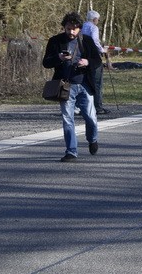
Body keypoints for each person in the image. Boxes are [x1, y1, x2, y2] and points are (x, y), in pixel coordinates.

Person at [42, 11, 101, 161]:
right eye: (68, 28)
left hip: (84, 85)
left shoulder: (86, 40)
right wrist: (59, 58)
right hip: (65, 87)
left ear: (79, 28)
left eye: (74, 29)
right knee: (68, 119)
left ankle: (92, 139)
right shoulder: (55, 41)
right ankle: (71, 151)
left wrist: (87, 62)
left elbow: (97, 60)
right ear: (64, 27)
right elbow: (46, 62)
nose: (71, 32)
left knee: (91, 118)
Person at [81, 10, 112, 114]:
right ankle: (98, 107)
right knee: (97, 83)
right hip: (94, 59)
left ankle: (84, 107)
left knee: (84, 83)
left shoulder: (81, 27)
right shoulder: (93, 27)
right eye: (97, 19)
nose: (98, 21)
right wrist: (102, 50)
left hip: (82, 58)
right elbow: (95, 40)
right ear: (94, 19)